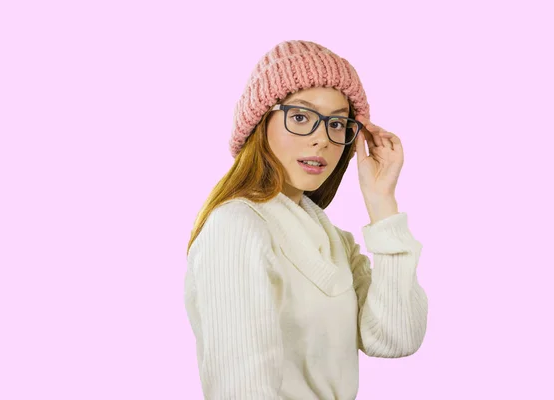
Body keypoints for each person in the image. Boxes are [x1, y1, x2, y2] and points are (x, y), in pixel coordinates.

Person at [183, 39, 428, 399]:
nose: (321, 140)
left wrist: (382, 203)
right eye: (300, 117)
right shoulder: (236, 228)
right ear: (260, 122)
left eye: (338, 124)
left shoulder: (334, 241)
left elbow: (395, 337)